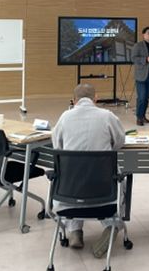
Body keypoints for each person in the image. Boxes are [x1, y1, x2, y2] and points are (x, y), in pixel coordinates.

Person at [51, 83, 126, 258]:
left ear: (74, 100)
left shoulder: (65, 117)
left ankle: (75, 230)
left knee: (73, 173)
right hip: (104, 195)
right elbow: (119, 141)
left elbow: (57, 147)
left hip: (70, 194)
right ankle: (112, 225)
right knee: (117, 178)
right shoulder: (107, 116)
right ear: (96, 99)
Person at [132, 26, 149, 126]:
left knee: (147, 98)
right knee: (141, 97)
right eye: (148, 33)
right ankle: (139, 118)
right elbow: (134, 58)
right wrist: (145, 59)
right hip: (141, 76)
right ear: (143, 35)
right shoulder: (138, 45)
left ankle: (143, 116)